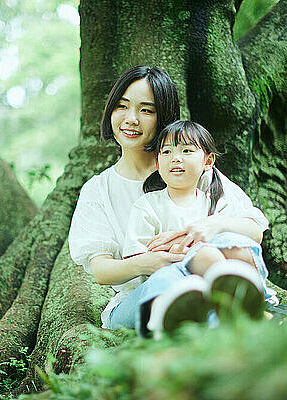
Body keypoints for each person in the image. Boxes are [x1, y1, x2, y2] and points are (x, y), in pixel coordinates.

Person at [68, 65, 270, 337]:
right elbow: (101, 271)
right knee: (170, 281)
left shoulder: (190, 166)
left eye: (146, 110)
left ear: (163, 117)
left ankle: (238, 317)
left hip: (207, 278)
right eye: (122, 106)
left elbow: (254, 230)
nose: (131, 119)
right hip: (144, 292)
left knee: (230, 250)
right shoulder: (98, 189)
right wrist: (150, 262)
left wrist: (214, 225)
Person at [122, 120, 271, 338]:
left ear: (208, 161)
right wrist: (174, 255)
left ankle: (238, 306)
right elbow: (137, 259)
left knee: (234, 243)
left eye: (186, 150)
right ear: (157, 161)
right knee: (207, 252)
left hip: (206, 282)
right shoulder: (148, 206)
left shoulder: (215, 203)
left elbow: (254, 234)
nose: (175, 157)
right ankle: (232, 311)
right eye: (166, 151)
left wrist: (211, 233)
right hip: (165, 281)